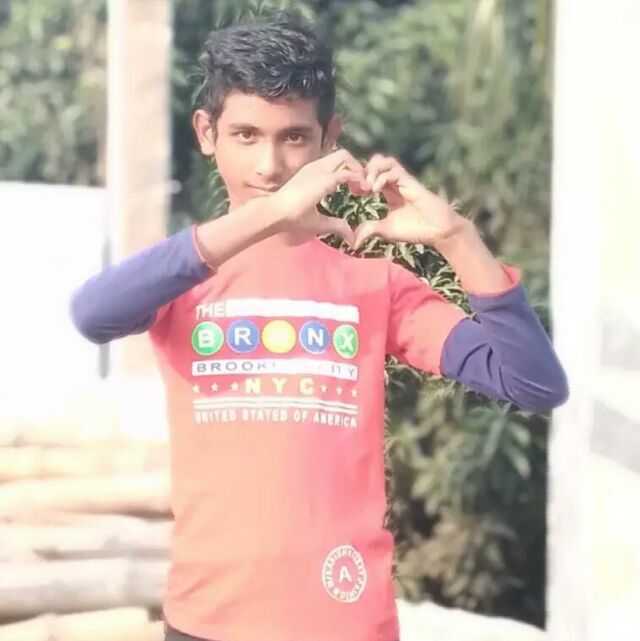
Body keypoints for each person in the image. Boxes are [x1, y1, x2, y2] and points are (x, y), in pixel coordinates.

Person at [70, 10, 568, 641]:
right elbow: (92, 313)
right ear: (206, 133)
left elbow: (534, 382)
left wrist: (457, 238)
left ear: (330, 138)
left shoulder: (374, 285)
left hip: (344, 620)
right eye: (245, 135)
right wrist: (271, 214)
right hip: (207, 622)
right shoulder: (181, 279)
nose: (270, 164)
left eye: (295, 138)